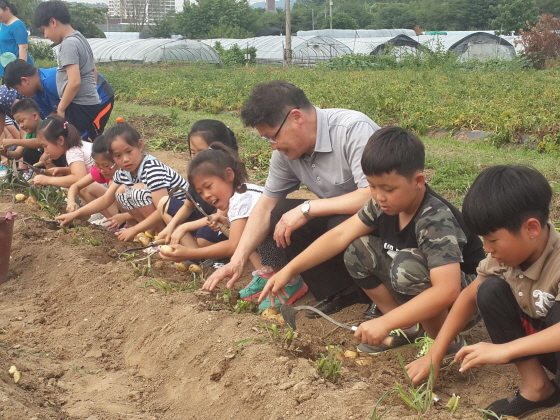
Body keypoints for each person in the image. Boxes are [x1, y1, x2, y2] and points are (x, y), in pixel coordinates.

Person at [259, 126, 484, 357]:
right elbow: (340, 236)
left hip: (466, 300)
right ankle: (407, 328)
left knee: (407, 267)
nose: (378, 196)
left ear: (418, 181)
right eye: (372, 186)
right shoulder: (382, 205)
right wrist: (289, 269)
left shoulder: (435, 219)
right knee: (358, 249)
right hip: (426, 282)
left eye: (388, 188)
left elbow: (446, 291)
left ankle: (445, 343)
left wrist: (384, 323)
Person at [204, 80, 380, 316]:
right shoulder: (286, 153)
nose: (273, 147)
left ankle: (381, 296)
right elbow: (265, 206)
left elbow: (375, 195)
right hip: (342, 219)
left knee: (330, 220)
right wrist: (237, 259)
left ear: (296, 117)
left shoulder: (352, 130)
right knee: (280, 214)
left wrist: (308, 207)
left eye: (273, 138)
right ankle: (343, 291)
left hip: (383, 221)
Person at [406, 165, 560, 419]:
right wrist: (436, 352)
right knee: (489, 290)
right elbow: (468, 297)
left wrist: (504, 350)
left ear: (531, 229)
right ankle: (537, 387)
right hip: (546, 347)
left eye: (493, 240)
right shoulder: (502, 260)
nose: (487, 249)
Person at [160, 143, 305, 310]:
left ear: (229, 175)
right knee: (250, 234)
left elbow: (233, 246)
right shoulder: (240, 193)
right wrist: (228, 224)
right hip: (289, 239)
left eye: (208, 186)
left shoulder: (241, 199)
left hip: (292, 243)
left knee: (258, 234)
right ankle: (268, 275)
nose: (206, 195)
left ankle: (290, 281)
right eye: (200, 192)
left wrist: (191, 253)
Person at [56, 122, 189, 242]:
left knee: (137, 191)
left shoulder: (152, 169)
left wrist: (134, 230)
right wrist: (75, 214)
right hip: (169, 215)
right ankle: (153, 234)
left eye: (129, 152)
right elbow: (105, 200)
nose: (125, 159)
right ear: (112, 155)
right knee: (121, 193)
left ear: (140, 145)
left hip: (185, 213)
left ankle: (159, 235)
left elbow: (162, 209)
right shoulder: (123, 172)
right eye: (118, 155)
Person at [33, 1, 107, 140]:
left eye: (44, 30)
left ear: (53, 22)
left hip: (79, 105)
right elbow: (93, 72)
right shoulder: (79, 38)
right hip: (87, 104)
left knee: (69, 145)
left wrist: (60, 109)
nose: (45, 36)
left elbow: (74, 82)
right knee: (80, 142)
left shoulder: (68, 44)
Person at [157, 119, 237, 247]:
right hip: (205, 218)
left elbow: (219, 216)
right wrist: (170, 227)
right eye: (193, 153)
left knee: (203, 238)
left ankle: (196, 252)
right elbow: (188, 206)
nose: (196, 158)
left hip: (222, 222)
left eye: (202, 152)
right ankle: (193, 252)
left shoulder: (228, 176)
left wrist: (185, 227)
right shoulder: (198, 174)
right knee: (163, 204)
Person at [4, 60, 114, 140]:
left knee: (88, 137)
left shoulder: (52, 81)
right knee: (71, 137)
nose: (18, 93)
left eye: (17, 89)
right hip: (76, 109)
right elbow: (54, 116)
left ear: (25, 80)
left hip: (100, 97)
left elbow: (83, 78)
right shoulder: (37, 95)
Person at [65, 135, 119, 219]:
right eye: (97, 165)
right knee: (86, 188)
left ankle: (128, 223)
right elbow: (75, 185)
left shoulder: (125, 173)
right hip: (116, 207)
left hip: (132, 211)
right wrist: (71, 202)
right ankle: (113, 222)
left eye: (106, 165)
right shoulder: (99, 170)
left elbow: (105, 200)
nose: (102, 170)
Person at [0, 0, 33, 78]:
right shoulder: (2, 24)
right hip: (6, 66)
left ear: (7, 9)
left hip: (17, 70)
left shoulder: (18, 26)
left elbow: (23, 48)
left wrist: (21, 72)